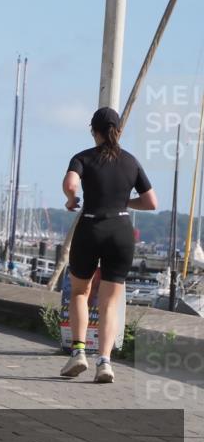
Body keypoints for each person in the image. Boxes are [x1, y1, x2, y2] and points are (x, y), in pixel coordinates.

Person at [60, 106, 156, 384]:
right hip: (121, 231)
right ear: (119, 131)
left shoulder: (83, 157)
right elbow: (151, 202)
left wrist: (70, 199)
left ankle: (78, 353)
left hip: (91, 226)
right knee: (110, 302)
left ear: (94, 131)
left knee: (80, 292)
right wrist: (123, 201)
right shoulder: (131, 161)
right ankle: (105, 362)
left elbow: (70, 184)